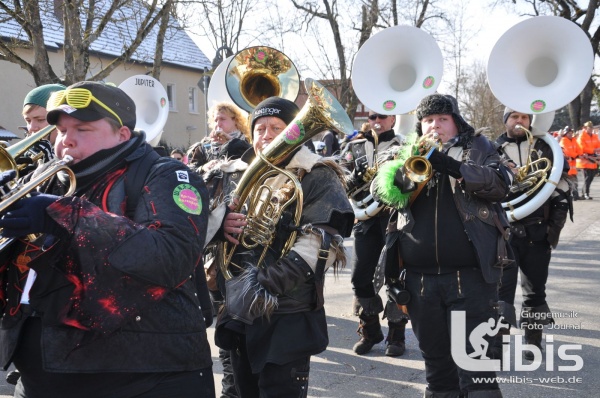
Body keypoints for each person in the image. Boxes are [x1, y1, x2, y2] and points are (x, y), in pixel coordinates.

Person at [0, 81, 215, 397]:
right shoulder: (44, 179)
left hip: (145, 382)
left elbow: (171, 256)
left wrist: (68, 215)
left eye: (82, 129)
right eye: (60, 130)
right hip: (40, 380)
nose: (66, 140)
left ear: (122, 135)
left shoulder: (165, 174)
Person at [213, 96, 354, 397]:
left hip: (287, 308)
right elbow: (206, 222)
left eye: (277, 127)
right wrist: (219, 225)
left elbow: (322, 241)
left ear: (295, 132)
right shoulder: (233, 173)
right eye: (260, 128)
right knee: (239, 389)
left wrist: (266, 283)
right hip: (237, 305)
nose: (267, 135)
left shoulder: (318, 174)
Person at [373, 93, 512, 397]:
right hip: (420, 282)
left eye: (442, 119)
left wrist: (448, 164)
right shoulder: (405, 151)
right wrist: (404, 175)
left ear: (456, 121)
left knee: (477, 372)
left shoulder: (480, 147)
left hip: (470, 280)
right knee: (437, 372)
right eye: (428, 120)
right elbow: (380, 192)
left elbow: (501, 184)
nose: (434, 126)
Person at [495, 107, 571, 361]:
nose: (520, 121)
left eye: (524, 117)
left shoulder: (546, 147)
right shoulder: (491, 148)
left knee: (535, 291)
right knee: (500, 291)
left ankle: (533, 339)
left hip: (537, 231)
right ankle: (498, 342)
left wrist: (553, 231)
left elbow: (562, 188)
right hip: (503, 232)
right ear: (506, 120)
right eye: (514, 117)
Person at [344, 111, 407, 357]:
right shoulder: (355, 146)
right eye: (372, 117)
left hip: (395, 220)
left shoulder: (403, 145)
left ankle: (397, 336)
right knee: (360, 278)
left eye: (383, 116)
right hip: (365, 219)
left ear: (393, 119)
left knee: (396, 278)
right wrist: (353, 177)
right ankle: (370, 331)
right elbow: (339, 181)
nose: (377, 121)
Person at [198, 102, 251, 175]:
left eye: (222, 119)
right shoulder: (204, 146)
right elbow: (189, 170)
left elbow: (251, 160)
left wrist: (231, 142)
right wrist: (203, 167)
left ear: (235, 120)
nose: (218, 124)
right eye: (216, 120)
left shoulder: (248, 141)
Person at [576, 121, 600, 199]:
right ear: (585, 128)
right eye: (589, 128)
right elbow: (582, 148)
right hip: (585, 161)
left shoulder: (594, 136)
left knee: (591, 177)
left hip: (593, 160)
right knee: (587, 177)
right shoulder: (581, 136)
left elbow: (598, 146)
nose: (590, 129)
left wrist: (595, 150)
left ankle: (584, 193)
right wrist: (594, 150)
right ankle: (586, 193)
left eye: (591, 128)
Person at [559, 126, 581, 200]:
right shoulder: (563, 141)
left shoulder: (574, 140)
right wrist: (576, 155)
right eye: (569, 133)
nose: (571, 134)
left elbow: (579, 149)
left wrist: (578, 154)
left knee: (575, 182)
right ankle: (571, 196)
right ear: (565, 134)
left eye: (571, 133)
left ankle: (576, 196)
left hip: (573, 166)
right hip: (567, 167)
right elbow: (567, 151)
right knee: (568, 183)